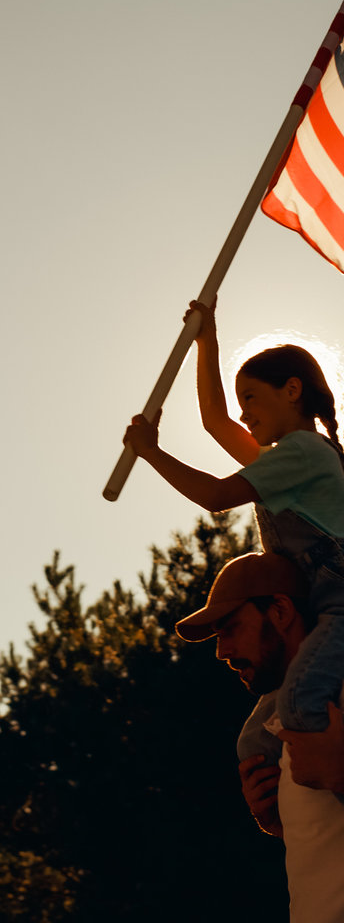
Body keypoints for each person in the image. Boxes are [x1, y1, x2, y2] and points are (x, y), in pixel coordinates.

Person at [123, 301, 344, 760]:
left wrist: (151, 452)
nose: (243, 414)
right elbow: (214, 423)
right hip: (318, 610)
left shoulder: (301, 451)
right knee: (255, 743)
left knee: (300, 705)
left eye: (251, 398)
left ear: (291, 390)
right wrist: (208, 342)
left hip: (340, 606)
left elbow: (217, 497)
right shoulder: (289, 460)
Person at [175, 551, 344, 923]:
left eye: (231, 628)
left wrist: (339, 772)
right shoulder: (280, 724)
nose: (222, 652)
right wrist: (279, 824)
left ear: (280, 611)